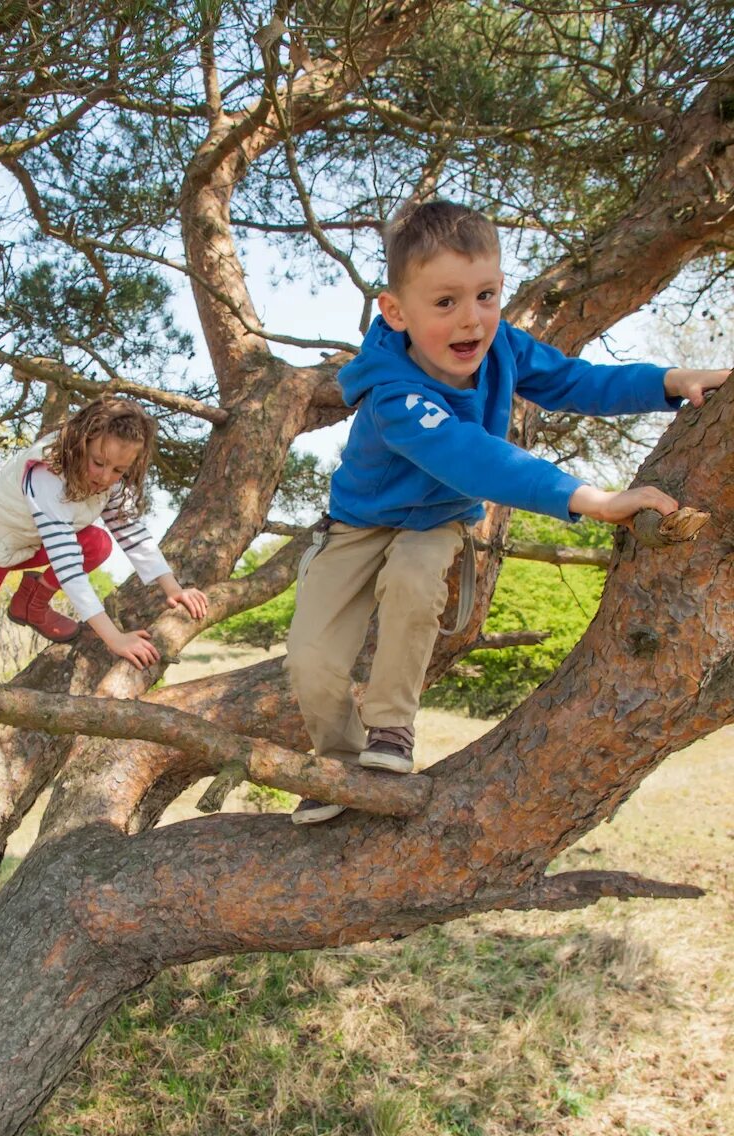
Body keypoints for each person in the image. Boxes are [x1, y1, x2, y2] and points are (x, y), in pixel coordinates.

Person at [286, 200, 729, 825]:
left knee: (415, 585)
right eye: (445, 303)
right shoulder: (393, 390)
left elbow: (578, 381)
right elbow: (475, 459)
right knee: (309, 657)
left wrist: (670, 381)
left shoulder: (502, 350)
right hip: (357, 524)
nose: (472, 320)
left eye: (486, 295)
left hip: (436, 519)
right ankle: (338, 764)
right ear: (395, 311)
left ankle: (389, 731)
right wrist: (594, 500)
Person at [0, 396, 208, 768]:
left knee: (96, 543)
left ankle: (30, 604)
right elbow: (67, 564)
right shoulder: (46, 473)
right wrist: (113, 637)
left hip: (27, 544)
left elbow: (130, 531)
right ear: (81, 442)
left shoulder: (112, 482)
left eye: (118, 469)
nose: (104, 476)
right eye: (98, 462)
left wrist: (173, 589)